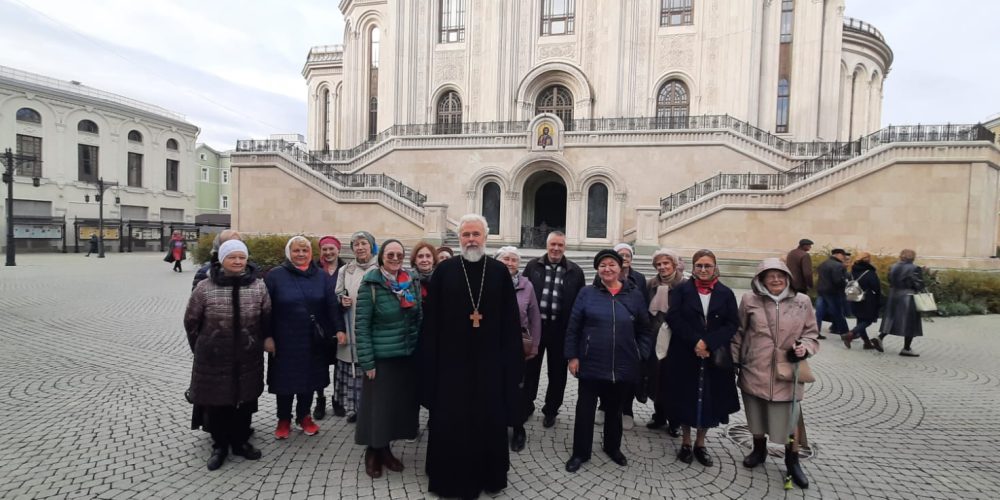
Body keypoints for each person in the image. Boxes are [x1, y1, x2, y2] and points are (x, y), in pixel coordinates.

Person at [421, 214, 523, 499]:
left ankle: (490, 476)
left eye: (476, 234)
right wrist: (430, 364)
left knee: (488, 419)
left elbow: (511, 322)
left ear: (485, 238)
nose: (471, 240)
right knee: (451, 421)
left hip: (490, 364)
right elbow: (431, 322)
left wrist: (512, 364)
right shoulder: (445, 271)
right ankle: (448, 479)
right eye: (466, 235)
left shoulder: (499, 272)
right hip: (451, 364)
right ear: (459, 239)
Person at [184, 240, 270, 470]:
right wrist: (202, 348)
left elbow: (266, 318)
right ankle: (219, 445)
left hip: (248, 355)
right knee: (217, 402)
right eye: (232, 257)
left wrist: (260, 341)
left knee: (245, 400)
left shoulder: (258, 286)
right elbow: (191, 321)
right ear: (222, 259)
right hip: (214, 357)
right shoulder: (205, 287)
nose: (238, 261)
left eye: (242, 257)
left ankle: (241, 441)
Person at [564, 249, 653, 473]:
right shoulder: (586, 293)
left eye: (612, 264)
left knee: (614, 410)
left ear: (620, 267)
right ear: (597, 269)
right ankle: (580, 452)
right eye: (602, 265)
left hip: (622, 364)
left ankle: (613, 447)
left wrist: (640, 353)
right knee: (585, 411)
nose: (607, 269)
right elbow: (574, 327)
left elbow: (645, 329)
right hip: (590, 362)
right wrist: (573, 356)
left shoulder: (634, 295)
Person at [734, 258, 820, 489]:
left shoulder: (802, 301)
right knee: (756, 412)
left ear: (788, 277)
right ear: (761, 279)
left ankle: (792, 461)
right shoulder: (749, 300)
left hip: (787, 370)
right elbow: (739, 332)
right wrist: (734, 361)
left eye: (780, 275)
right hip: (755, 366)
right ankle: (758, 449)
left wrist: (805, 348)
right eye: (770, 275)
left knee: (791, 419)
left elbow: (811, 333)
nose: (775, 279)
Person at [663, 249, 740, 467]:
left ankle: (700, 443)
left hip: (714, 354)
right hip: (686, 351)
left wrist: (708, 343)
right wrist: (696, 341)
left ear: (715, 267)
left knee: (709, 399)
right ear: (693, 267)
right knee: (685, 397)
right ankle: (686, 442)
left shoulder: (725, 293)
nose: (703, 270)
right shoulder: (682, 290)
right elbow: (674, 317)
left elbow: (732, 324)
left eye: (708, 266)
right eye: (699, 265)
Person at [354, 239, 422, 478]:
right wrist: (367, 361)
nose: (395, 258)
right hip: (381, 358)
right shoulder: (371, 284)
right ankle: (373, 451)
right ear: (382, 256)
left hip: (405, 355)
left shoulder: (410, 281)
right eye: (390, 254)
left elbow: (418, 318)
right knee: (377, 408)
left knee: (395, 407)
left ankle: (385, 449)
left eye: (399, 255)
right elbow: (362, 326)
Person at [264, 236, 344, 439]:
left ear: (311, 253)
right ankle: (283, 419)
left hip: (312, 339)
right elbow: (265, 310)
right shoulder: (275, 276)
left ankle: (304, 416)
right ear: (289, 253)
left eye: (305, 250)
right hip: (284, 339)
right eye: (297, 250)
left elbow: (331, 306)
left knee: (309, 379)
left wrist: (339, 329)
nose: (301, 254)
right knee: (285, 381)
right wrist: (267, 336)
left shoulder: (321, 276)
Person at [522, 231, 585, 428]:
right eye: (553, 244)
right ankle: (526, 404)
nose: (556, 248)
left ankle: (551, 410)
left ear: (565, 247)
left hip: (560, 330)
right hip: (536, 329)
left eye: (560, 245)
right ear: (547, 245)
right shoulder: (533, 266)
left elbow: (580, 303)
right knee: (530, 369)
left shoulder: (575, 271)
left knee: (557, 373)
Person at [596, 243, 649, 430]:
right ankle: (603, 406)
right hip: (608, 333)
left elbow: (643, 308)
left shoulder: (639, 278)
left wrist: (642, 349)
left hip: (630, 335)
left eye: (628, 255)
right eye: (621, 255)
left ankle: (627, 410)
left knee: (628, 377)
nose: (625, 258)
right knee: (605, 374)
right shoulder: (604, 275)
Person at [494, 246, 542, 453]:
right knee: (494, 386)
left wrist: (535, 345)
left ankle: (518, 428)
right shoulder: (489, 282)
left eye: (514, 260)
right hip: (492, 344)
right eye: (506, 259)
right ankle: (495, 426)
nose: (510, 263)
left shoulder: (526, 285)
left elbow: (534, 317)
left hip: (517, 344)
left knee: (516, 388)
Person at [334, 231, 379, 423]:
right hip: (351, 325)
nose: (360, 248)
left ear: (371, 246)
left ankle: (372, 410)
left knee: (372, 369)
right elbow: (337, 293)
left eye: (363, 243)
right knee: (354, 370)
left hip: (374, 328)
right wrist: (341, 299)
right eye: (356, 244)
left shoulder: (380, 267)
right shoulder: (346, 270)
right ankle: (355, 409)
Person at [645, 248, 686, 438]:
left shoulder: (685, 285)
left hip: (676, 339)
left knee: (674, 380)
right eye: (659, 264)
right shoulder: (650, 284)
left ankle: (675, 421)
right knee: (656, 377)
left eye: (666, 263)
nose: (662, 267)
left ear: (674, 264)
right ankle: (659, 415)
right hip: (654, 337)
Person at [314, 235, 346, 420]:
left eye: (331, 249)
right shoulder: (314, 270)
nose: (328, 252)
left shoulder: (346, 269)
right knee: (320, 365)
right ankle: (320, 399)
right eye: (324, 249)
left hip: (341, 323)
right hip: (320, 325)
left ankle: (337, 398)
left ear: (338, 250)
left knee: (339, 364)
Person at [876, 249, 925, 356]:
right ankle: (906, 348)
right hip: (908, 297)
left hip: (893, 295)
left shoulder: (893, 266)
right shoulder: (915, 268)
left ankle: (880, 337)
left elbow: (890, 280)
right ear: (912, 257)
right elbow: (919, 285)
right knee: (910, 322)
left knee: (891, 319)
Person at [845, 252, 881, 350]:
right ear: (868, 260)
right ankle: (851, 334)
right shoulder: (869, 272)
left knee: (860, 320)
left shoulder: (853, 270)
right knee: (868, 320)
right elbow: (876, 287)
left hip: (854, 297)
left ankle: (866, 343)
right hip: (867, 299)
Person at [815, 248, 851, 338]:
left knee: (819, 312)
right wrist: (845, 283)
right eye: (843, 255)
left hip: (821, 290)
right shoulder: (838, 265)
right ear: (838, 254)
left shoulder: (823, 263)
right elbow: (837, 280)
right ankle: (845, 333)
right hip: (833, 292)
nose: (844, 257)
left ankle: (815, 332)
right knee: (838, 312)